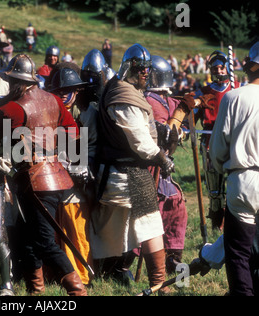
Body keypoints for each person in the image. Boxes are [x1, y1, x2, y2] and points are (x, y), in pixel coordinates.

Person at [0, 54, 87, 296]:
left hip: (33, 181)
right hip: (54, 177)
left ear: (17, 81)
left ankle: (78, 293)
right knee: (26, 239)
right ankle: (36, 291)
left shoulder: (10, 108)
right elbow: (75, 137)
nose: (11, 84)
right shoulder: (54, 100)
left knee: (44, 241)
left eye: (12, 80)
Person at [90, 44, 175, 293]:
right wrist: (161, 158)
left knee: (105, 228)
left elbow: (138, 128)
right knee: (150, 225)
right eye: (140, 70)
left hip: (119, 174)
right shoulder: (122, 96)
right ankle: (159, 283)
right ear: (129, 67)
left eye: (147, 70)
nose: (145, 74)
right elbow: (138, 139)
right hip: (127, 175)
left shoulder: (122, 89)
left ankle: (91, 273)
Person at [143, 55, 213, 274]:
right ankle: (126, 264)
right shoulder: (147, 101)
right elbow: (164, 132)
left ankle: (172, 258)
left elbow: (181, 107)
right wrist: (180, 116)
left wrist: (197, 101)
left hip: (163, 167)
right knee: (153, 213)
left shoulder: (164, 98)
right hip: (149, 165)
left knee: (176, 206)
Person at [208, 41, 259, 296]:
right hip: (246, 178)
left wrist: (220, 174)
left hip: (243, 181)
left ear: (249, 67)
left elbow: (216, 152)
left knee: (238, 253)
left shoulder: (233, 98)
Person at [48, 65, 95, 286]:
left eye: (70, 90)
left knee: (77, 230)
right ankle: (62, 275)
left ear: (76, 92)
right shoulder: (48, 113)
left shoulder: (85, 114)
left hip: (78, 183)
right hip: (52, 178)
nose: (65, 95)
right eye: (61, 90)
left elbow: (91, 147)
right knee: (57, 230)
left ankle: (82, 276)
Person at [194, 50, 240, 231]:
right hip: (210, 144)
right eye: (215, 68)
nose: (219, 71)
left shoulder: (238, 87)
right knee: (214, 192)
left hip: (234, 143)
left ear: (228, 68)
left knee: (236, 187)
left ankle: (235, 224)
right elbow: (192, 115)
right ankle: (216, 225)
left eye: (222, 67)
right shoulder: (204, 92)